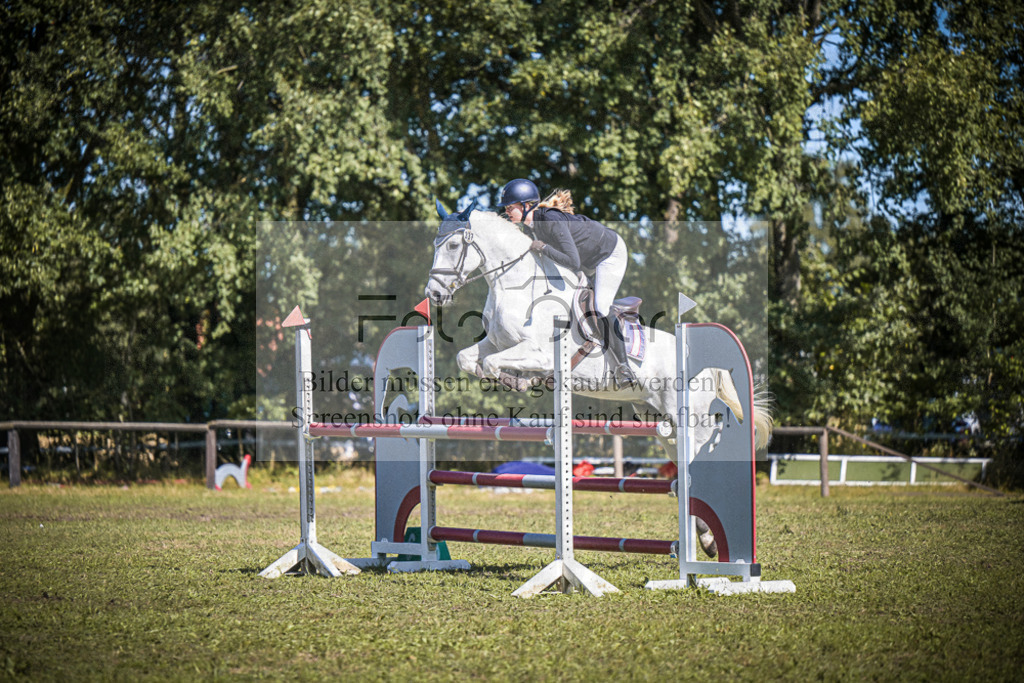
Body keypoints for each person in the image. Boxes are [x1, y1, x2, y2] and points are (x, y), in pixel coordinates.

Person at [496, 177, 637, 386]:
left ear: (526, 206)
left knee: (599, 306)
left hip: (607, 254)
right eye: (506, 208)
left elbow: (573, 261)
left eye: (510, 207)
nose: (507, 212)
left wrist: (543, 248)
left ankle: (624, 368)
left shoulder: (550, 220)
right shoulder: (530, 227)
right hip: (586, 256)